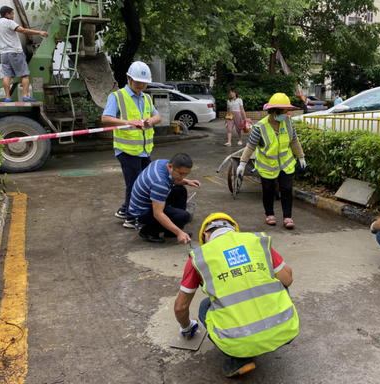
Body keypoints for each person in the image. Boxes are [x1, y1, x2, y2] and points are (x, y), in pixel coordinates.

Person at [174, 213, 298, 378]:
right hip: (285, 329)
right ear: (234, 229)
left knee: (205, 306)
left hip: (237, 341)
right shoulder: (256, 242)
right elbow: (288, 279)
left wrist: (187, 326)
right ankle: (277, 332)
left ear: (205, 235)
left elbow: (180, 307)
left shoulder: (199, 258)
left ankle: (238, 359)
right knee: (278, 283)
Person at [101, 61, 162, 228]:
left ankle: (124, 209)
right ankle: (131, 218)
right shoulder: (117, 96)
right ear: (128, 79)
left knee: (145, 182)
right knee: (134, 184)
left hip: (144, 149)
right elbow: (106, 118)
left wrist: (150, 121)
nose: (141, 85)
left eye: (144, 82)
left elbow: (158, 117)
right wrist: (127, 122)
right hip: (126, 149)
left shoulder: (146, 97)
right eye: (138, 81)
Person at [236, 93, 306, 228]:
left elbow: (294, 141)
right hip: (267, 165)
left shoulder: (289, 123)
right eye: (283, 112)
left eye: (287, 112)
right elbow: (250, 147)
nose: (286, 115)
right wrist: (242, 164)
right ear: (274, 111)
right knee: (268, 190)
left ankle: (287, 217)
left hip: (286, 163)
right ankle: (270, 214)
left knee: (286, 189)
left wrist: (301, 157)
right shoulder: (260, 127)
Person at [128, 153, 200, 244]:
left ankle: (170, 231)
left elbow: (175, 179)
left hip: (147, 200)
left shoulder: (162, 163)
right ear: (171, 166)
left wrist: (188, 181)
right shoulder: (160, 183)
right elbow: (158, 214)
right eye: (181, 173)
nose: (183, 177)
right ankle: (148, 232)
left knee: (180, 191)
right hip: (142, 212)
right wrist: (179, 233)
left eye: (186, 174)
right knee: (184, 216)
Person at [0, 6, 49, 102]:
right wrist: (40, 32)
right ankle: (26, 95)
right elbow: (23, 30)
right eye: (12, 14)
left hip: (4, 54)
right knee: (24, 74)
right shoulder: (8, 22)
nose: (13, 16)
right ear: (7, 14)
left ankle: (7, 97)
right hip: (15, 52)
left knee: (7, 76)